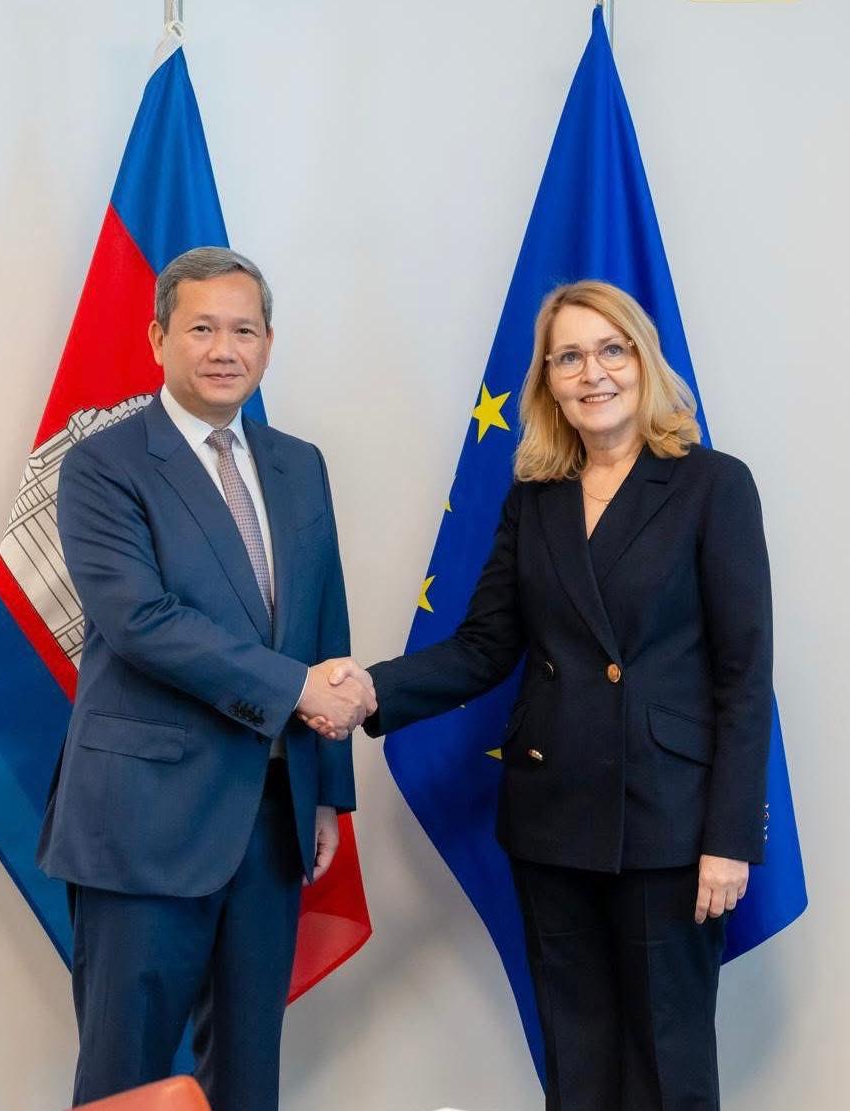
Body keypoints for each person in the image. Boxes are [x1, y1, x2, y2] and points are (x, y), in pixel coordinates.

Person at [315, 280, 773, 1110]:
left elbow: (744, 677)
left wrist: (729, 837)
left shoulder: (713, 485)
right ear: (548, 382)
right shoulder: (536, 499)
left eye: (610, 350)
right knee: (577, 1064)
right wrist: (372, 689)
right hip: (553, 818)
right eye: (569, 357)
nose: (592, 373)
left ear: (643, 361)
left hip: (669, 824)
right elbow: (485, 645)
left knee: (670, 1070)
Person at [36, 246, 375, 1110]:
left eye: (244, 330)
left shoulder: (301, 464)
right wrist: (298, 689)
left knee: (248, 1076)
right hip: (143, 821)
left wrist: (327, 790)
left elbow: (324, 628)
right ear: (158, 338)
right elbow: (142, 620)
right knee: (128, 1078)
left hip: (272, 819)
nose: (225, 349)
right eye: (202, 329)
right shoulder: (103, 464)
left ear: (268, 343)